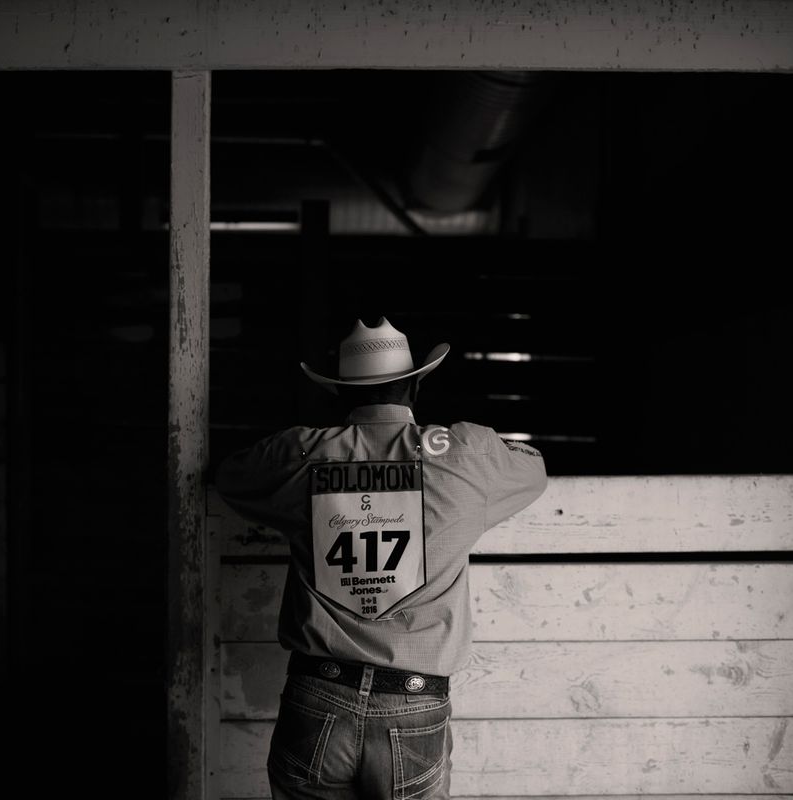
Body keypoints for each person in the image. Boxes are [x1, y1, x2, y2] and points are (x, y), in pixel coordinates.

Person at [215, 317, 547, 800]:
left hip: (317, 693)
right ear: (415, 386)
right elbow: (533, 467)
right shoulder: (465, 456)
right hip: (413, 700)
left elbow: (230, 475)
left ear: (340, 393)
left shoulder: (300, 454)